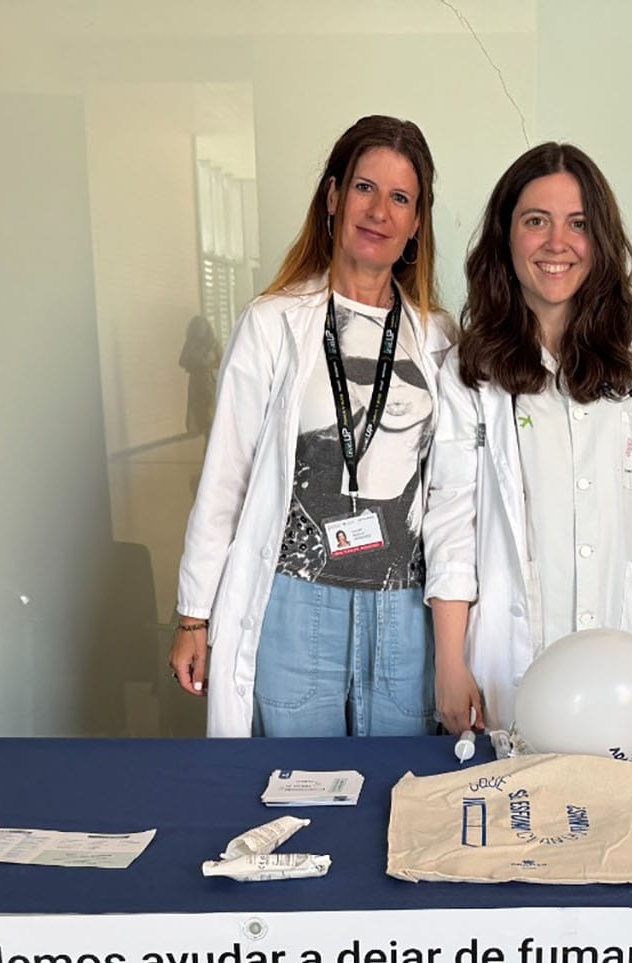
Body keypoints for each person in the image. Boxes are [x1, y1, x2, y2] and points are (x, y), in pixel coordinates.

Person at [171, 116, 452, 737]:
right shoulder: (272, 323)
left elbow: (455, 495)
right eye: (364, 188)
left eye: (400, 198)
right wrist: (194, 615)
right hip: (297, 607)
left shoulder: (438, 338)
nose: (379, 212)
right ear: (332, 197)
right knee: (297, 783)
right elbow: (226, 478)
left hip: (407, 614)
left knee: (401, 783)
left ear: (416, 223)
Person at [425, 143, 632, 737]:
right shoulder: (471, 368)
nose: (558, 243)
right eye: (536, 221)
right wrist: (450, 660)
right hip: (512, 656)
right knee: (523, 789)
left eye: (578, 224)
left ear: (600, 239)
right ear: (506, 237)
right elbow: (450, 521)